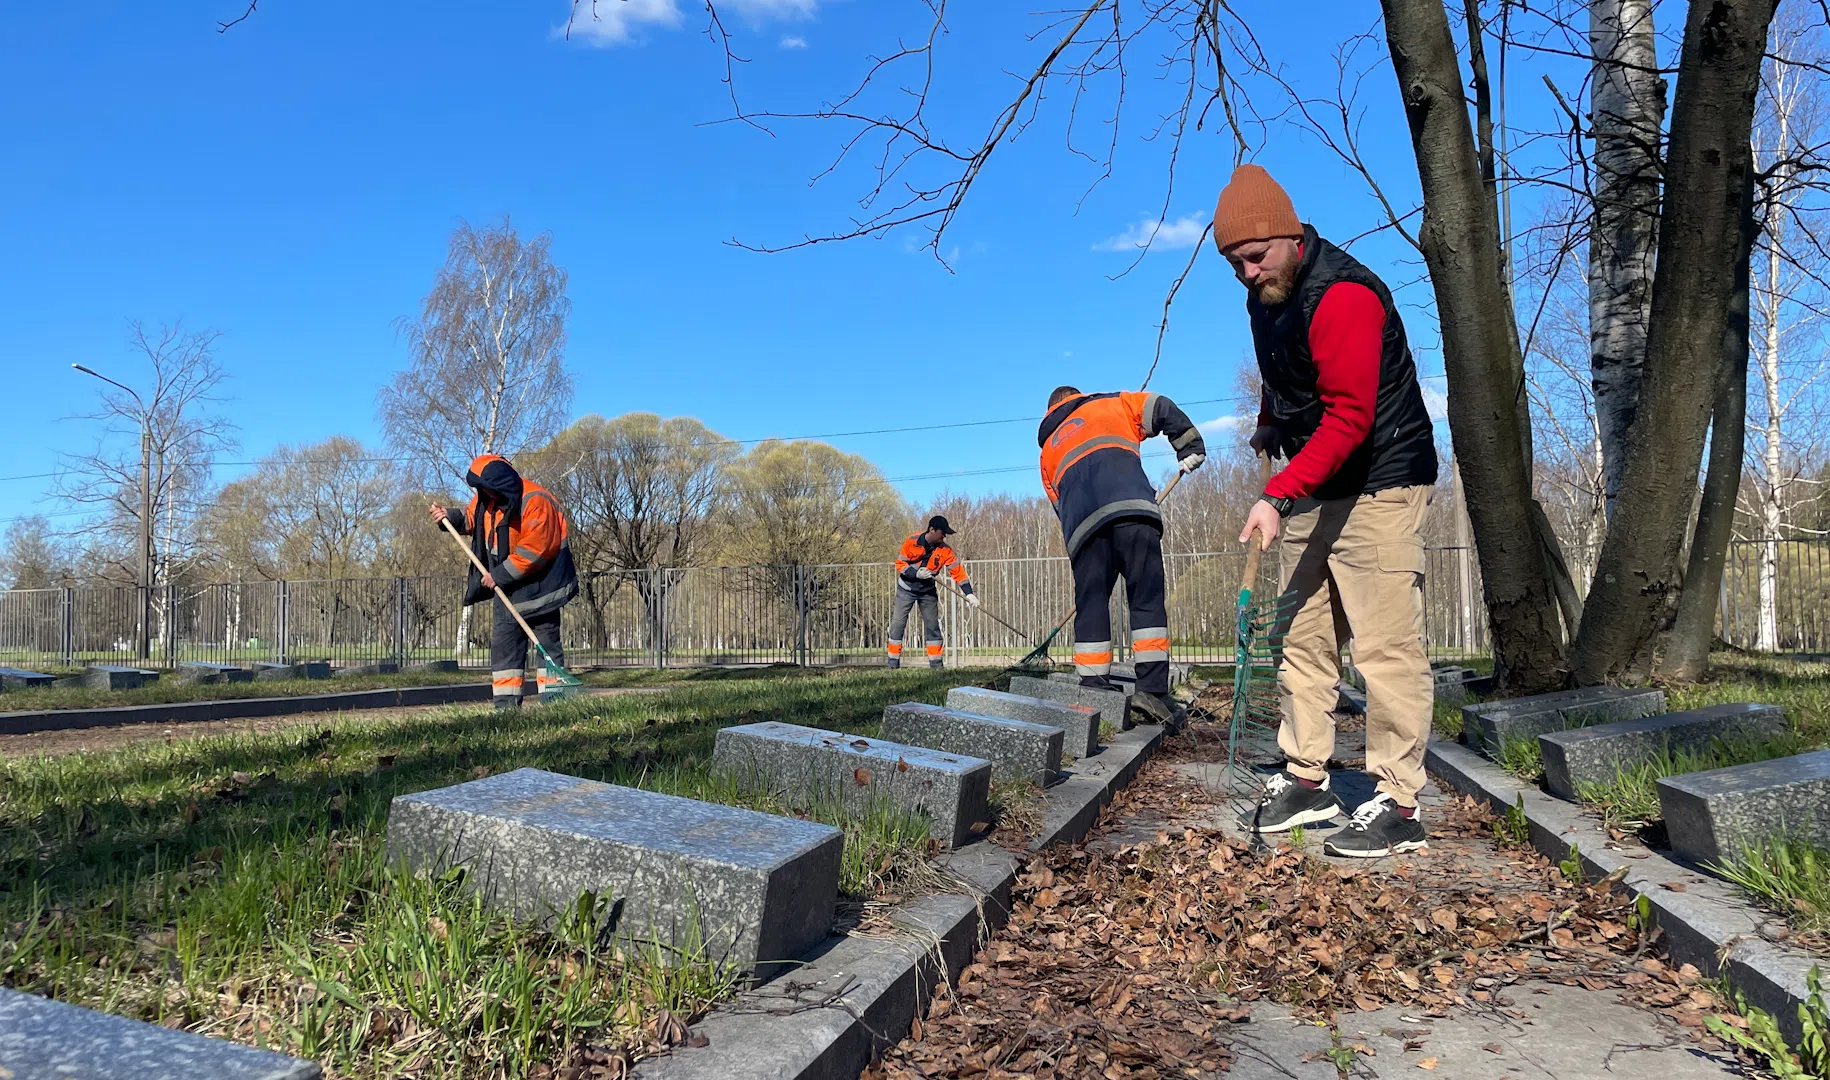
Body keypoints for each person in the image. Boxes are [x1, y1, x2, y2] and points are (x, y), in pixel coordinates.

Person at [1215, 163, 1440, 857]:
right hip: (1316, 477)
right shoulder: (1267, 298)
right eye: (1234, 263)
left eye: (1255, 256)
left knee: (1383, 644)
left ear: (1291, 237)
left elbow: (1350, 416)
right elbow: (1286, 373)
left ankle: (1400, 800)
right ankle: (1307, 780)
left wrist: (1277, 491)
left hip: (1380, 478)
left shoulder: (1343, 295)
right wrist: (1268, 420)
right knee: (1302, 636)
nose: (1248, 272)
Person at [1038, 385, 1205, 731]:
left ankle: (1095, 688)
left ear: (1051, 410)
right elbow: (1159, 405)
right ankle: (1153, 692)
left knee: (1092, 603)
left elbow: (1059, 505)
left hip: (1083, 529)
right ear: (1078, 396)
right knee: (1145, 600)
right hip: (1132, 511)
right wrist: (1188, 445)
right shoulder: (1112, 404)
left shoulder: (1047, 452)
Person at [430, 454, 579, 710]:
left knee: (546, 646)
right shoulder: (486, 499)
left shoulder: (535, 501)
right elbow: (471, 519)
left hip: (542, 590)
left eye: (486, 488)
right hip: (508, 591)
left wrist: (497, 575)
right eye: (480, 488)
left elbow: (536, 550)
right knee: (505, 651)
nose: (483, 493)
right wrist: (449, 517)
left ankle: (556, 707)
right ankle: (506, 710)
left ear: (501, 484)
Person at [888, 515, 979, 669]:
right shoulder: (912, 541)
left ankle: (936, 667)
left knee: (933, 627)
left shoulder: (945, 551)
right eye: (942, 533)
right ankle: (892, 666)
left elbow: (957, 572)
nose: (944, 536)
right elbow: (900, 563)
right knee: (897, 625)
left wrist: (969, 593)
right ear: (932, 529)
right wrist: (915, 574)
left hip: (927, 591)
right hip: (906, 589)